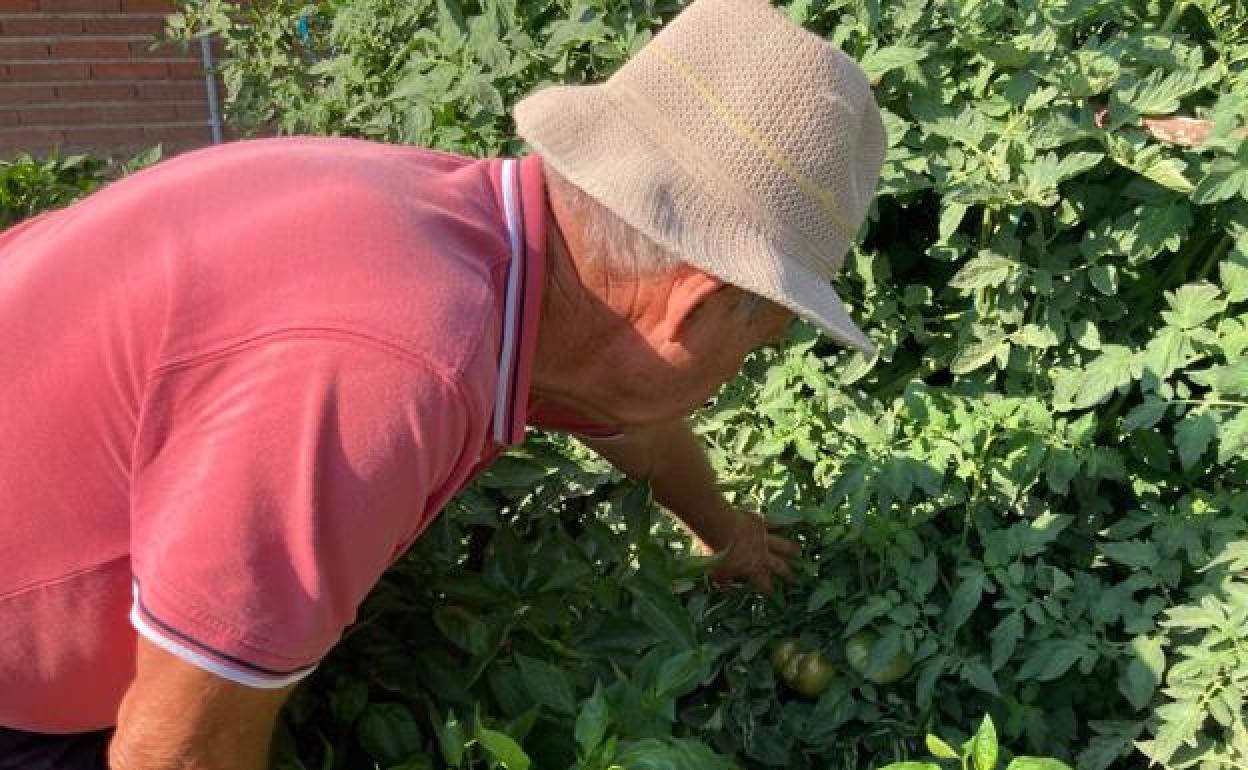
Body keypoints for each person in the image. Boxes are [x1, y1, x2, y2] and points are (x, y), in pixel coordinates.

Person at [0, 0, 886, 765]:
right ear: (693, 310)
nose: (744, 369)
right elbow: (173, 751)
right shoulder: (397, 366)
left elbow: (618, 405)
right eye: (760, 339)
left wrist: (727, 533)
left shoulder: (482, 245)